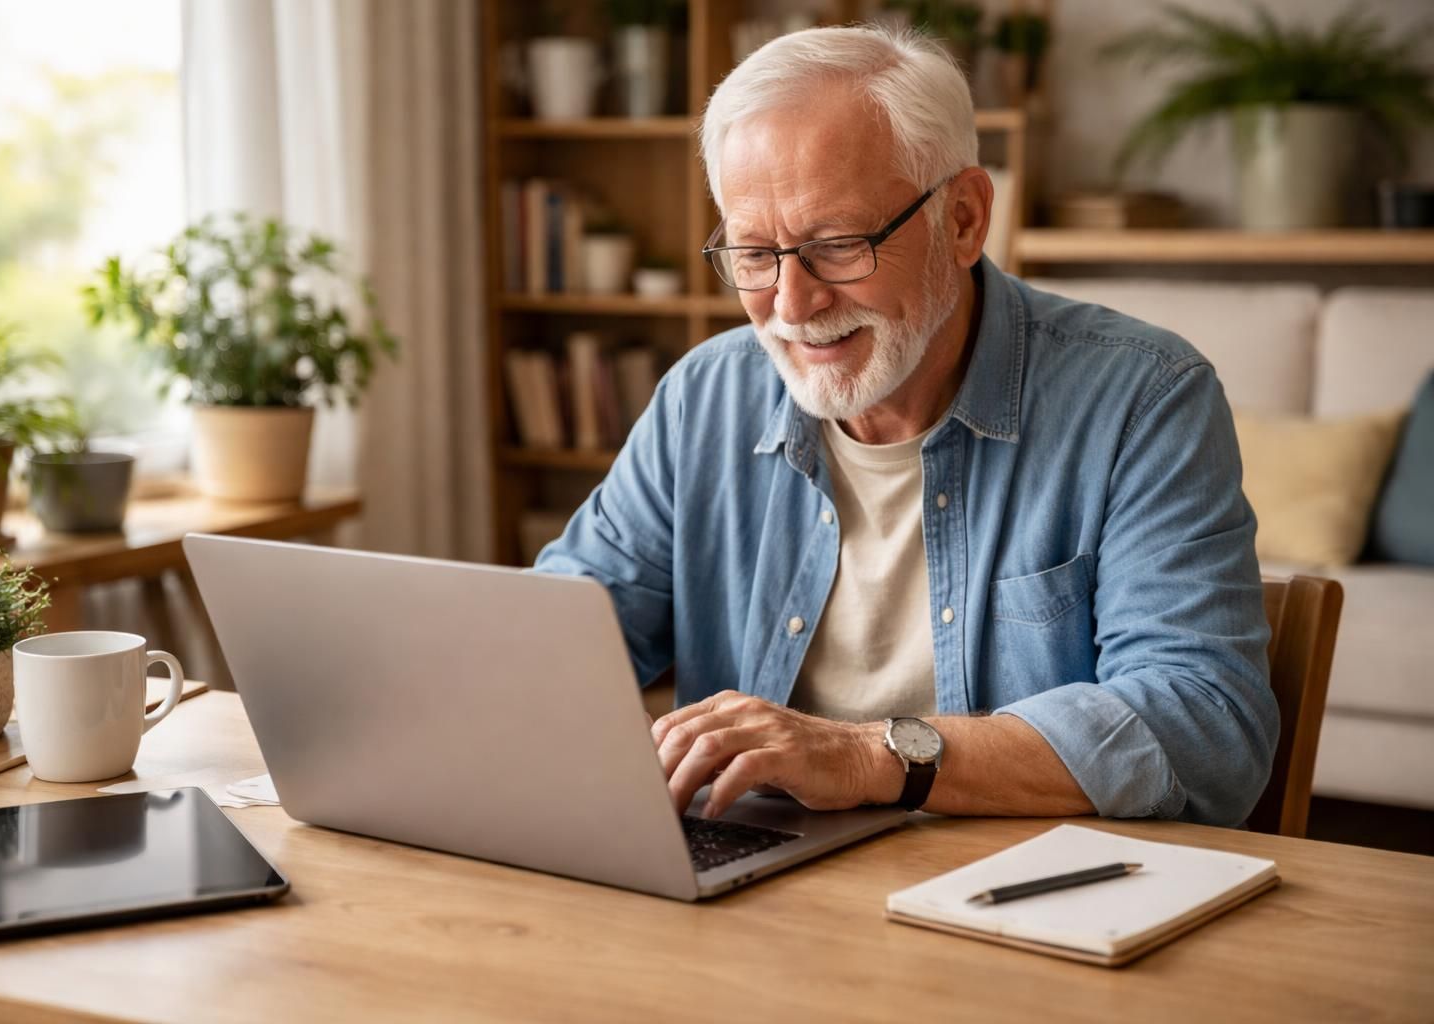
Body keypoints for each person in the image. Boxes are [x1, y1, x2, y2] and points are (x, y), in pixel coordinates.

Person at [534, 25, 1277, 828]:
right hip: (754, 892)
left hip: (1018, 899)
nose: (791, 306)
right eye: (754, 253)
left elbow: (1205, 727)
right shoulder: (704, 398)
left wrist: (862, 757)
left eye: (837, 245)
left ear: (962, 218)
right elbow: (562, 642)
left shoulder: (1143, 398)